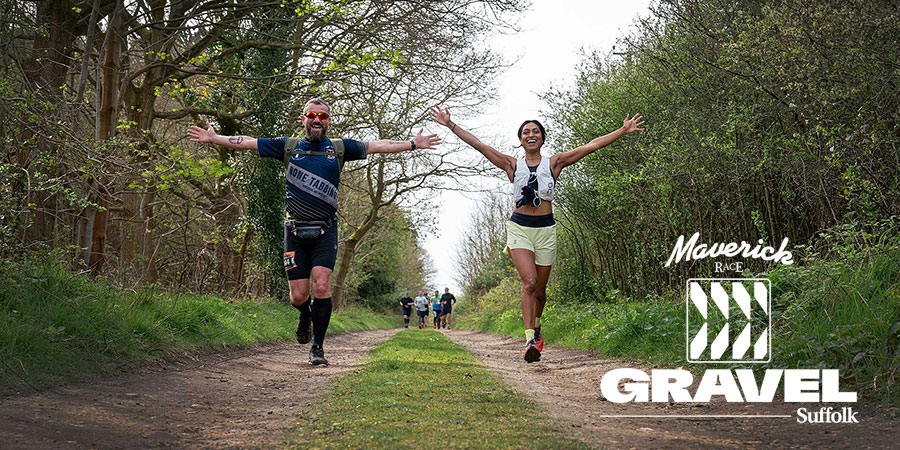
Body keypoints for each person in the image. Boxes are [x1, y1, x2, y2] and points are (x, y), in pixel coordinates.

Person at [188, 98, 440, 365]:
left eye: (323, 115)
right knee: (298, 296)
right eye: (312, 115)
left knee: (321, 285)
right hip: (294, 230)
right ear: (303, 119)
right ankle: (305, 315)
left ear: (329, 120)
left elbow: (378, 145)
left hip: (325, 231)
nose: (317, 119)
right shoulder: (288, 146)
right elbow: (249, 141)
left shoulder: (340, 149)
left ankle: (317, 347)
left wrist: (412, 144)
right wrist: (215, 138)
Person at [429, 105, 644, 362]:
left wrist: (622, 130)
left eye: (536, 131)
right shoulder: (511, 164)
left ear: (542, 137)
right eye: (525, 132)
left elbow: (592, 146)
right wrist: (451, 125)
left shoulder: (554, 163)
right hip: (519, 228)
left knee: (540, 290)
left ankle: (538, 327)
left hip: (545, 230)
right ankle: (529, 339)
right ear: (520, 140)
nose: (531, 135)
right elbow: (479, 145)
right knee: (529, 282)